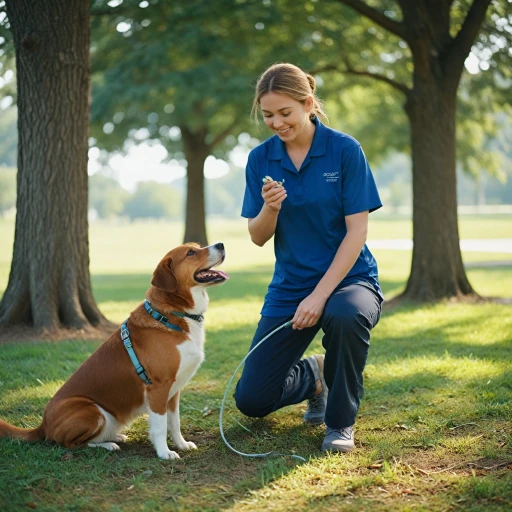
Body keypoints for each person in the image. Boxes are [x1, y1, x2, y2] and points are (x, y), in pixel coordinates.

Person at [234, 63, 384, 453]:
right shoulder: (260, 159)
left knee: (344, 314)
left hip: (351, 280)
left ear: (308, 103)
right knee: (252, 400)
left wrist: (319, 297)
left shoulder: (344, 150)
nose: (277, 122)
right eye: (268, 115)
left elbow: (357, 232)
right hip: (290, 287)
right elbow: (257, 236)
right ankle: (315, 376)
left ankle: (339, 423)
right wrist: (270, 209)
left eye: (285, 113)